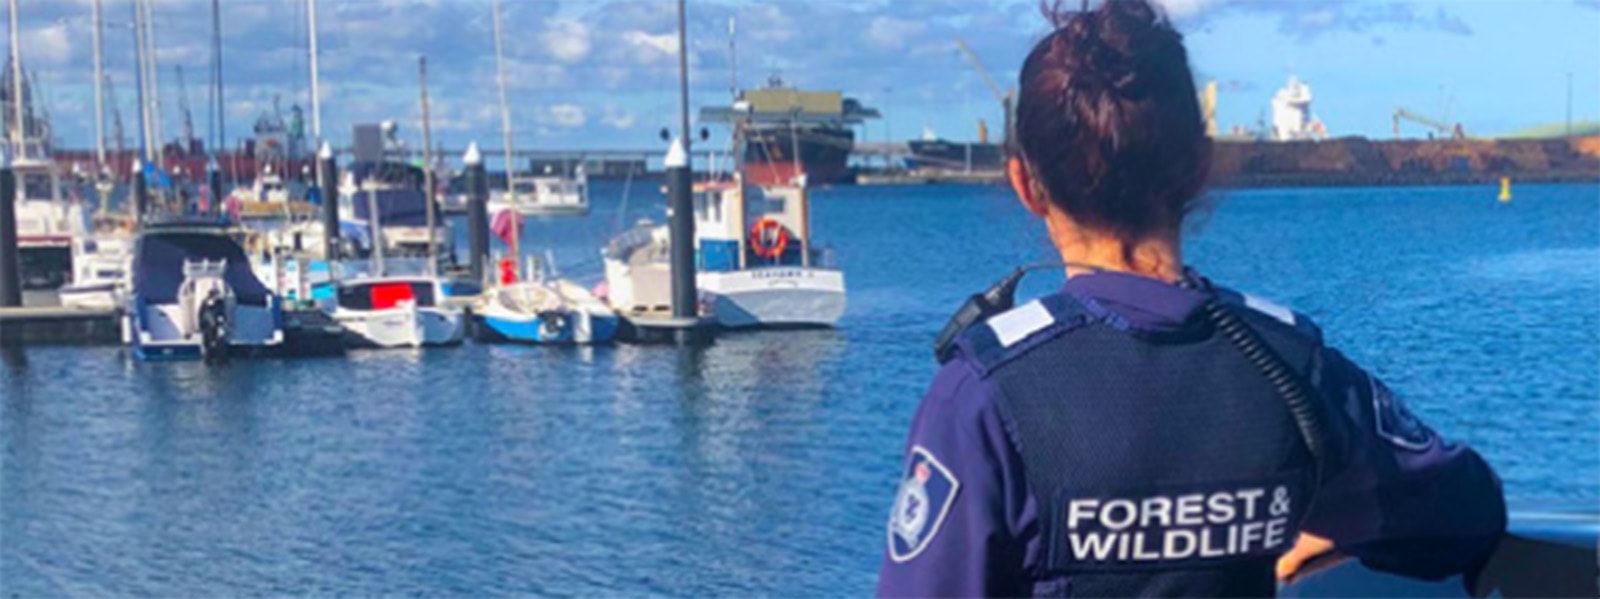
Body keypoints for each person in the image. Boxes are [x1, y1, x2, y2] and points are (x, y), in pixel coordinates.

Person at [875, 1, 1506, 597]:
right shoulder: (1288, 362)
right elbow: (1462, 510)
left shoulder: (985, 395)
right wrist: (1320, 524)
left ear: (1024, 184)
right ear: (1200, 166)